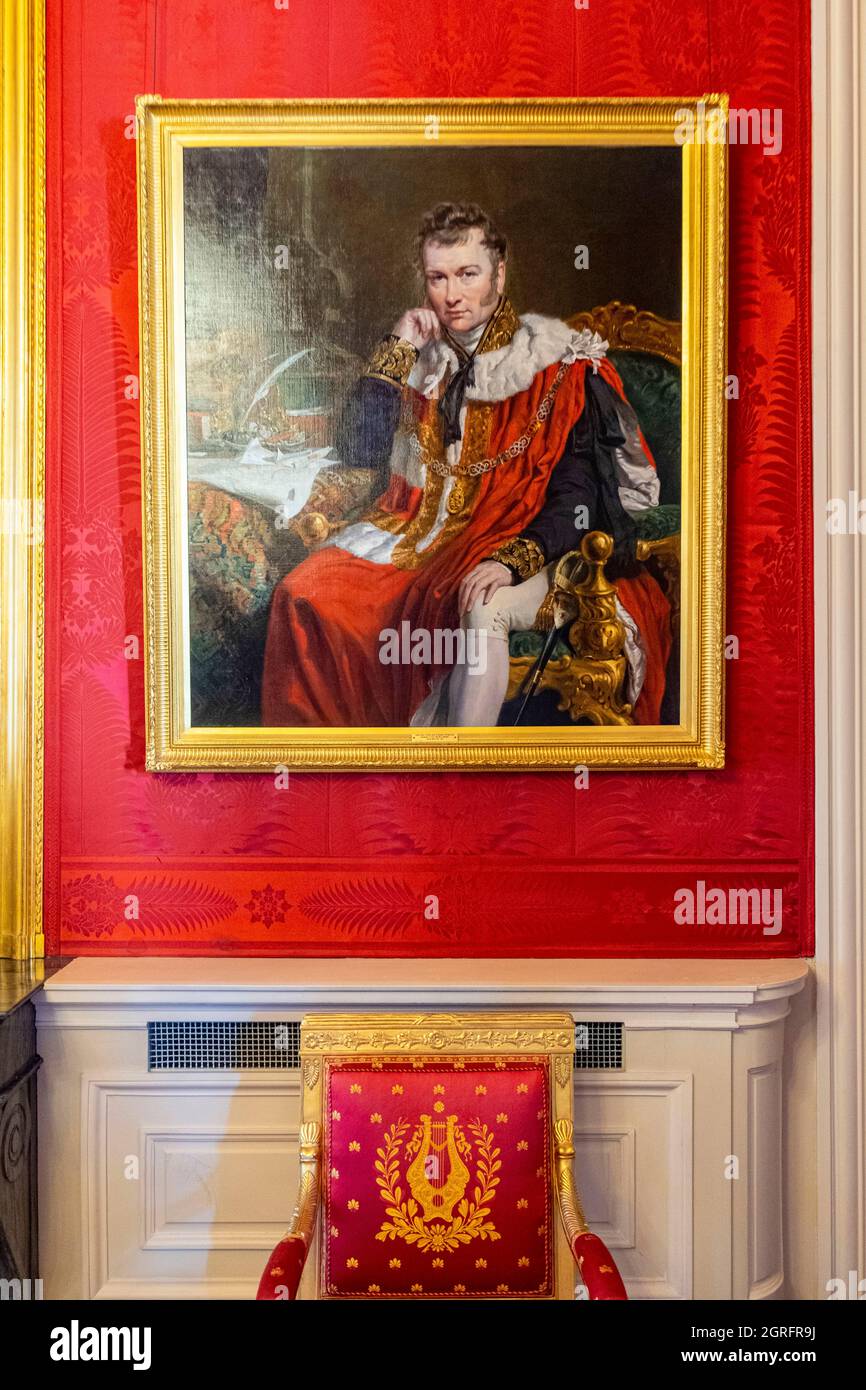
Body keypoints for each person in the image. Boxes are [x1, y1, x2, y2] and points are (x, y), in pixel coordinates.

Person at [261, 202, 671, 728]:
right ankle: (337, 772)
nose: (451, 295)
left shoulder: (558, 363)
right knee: (301, 592)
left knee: (479, 602)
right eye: (437, 278)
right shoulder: (427, 360)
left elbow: (580, 498)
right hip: (428, 537)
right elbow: (358, 448)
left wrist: (512, 561)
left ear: (499, 273)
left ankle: (454, 772)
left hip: (541, 547)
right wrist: (400, 344)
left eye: (466, 274)